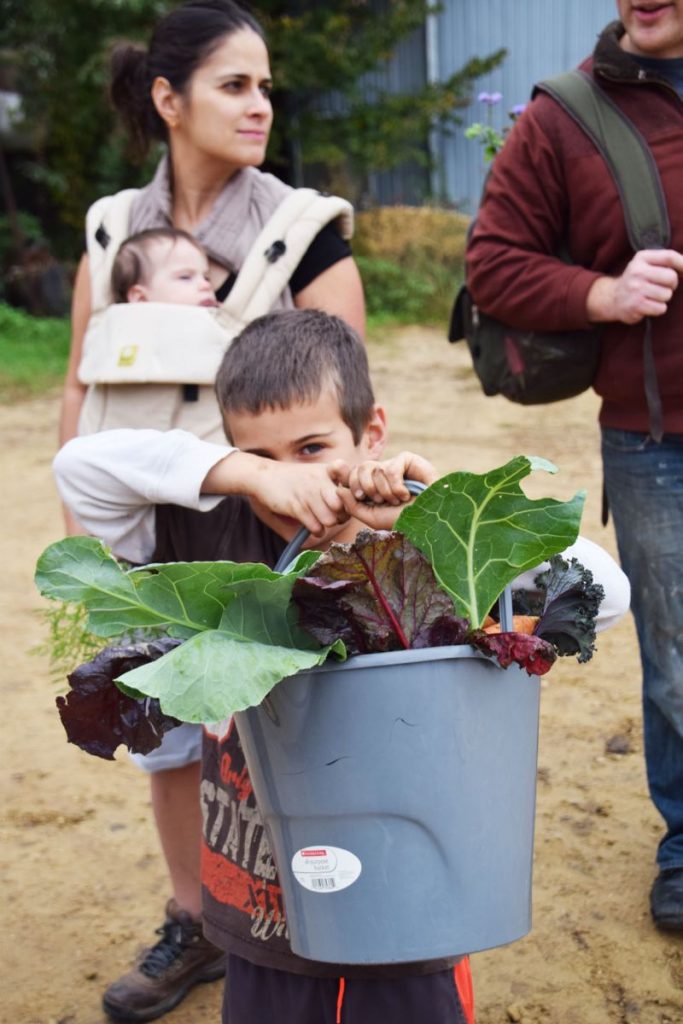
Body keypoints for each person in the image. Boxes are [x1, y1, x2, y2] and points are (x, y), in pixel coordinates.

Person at [53, 308, 629, 1024]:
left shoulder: (435, 558)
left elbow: (606, 594)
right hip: (257, 910)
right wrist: (242, 477)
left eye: (313, 447)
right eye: (259, 452)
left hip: (408, 912)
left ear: (372, 434)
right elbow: (79, 469)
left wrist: (445, 513)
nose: (292, 477)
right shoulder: (213, 531)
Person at [57, 2, 365, 1018]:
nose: (258, 104)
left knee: (276, 733)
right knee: (165, 738)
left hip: (264, 539)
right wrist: (84, 541)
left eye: (266, 85)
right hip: (149, 535)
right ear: (166, 98)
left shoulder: (302, 230)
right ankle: (194, 919)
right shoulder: (112, 230)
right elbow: (79, 383)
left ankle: (291, 916)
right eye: (234, 84)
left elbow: (343, 399)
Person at [466, 1, 683, 932]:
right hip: (654, 441)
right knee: (676, 659)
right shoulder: (565, 115)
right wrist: (602, 291)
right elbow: (492, 266)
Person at [110, 227, 219, 306]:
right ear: (141, 299)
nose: (206, 285)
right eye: (185, 277)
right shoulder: (130, 336)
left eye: (206, 278)